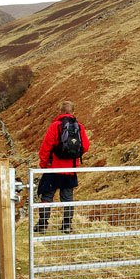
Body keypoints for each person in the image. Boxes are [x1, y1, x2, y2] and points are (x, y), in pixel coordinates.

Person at [35, 100, 90, 234]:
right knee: (67, 197)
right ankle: (67, 225)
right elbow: (85, 146)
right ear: (73, 112)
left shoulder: (55, 126)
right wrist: (74, 156)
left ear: (60, 112)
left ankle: (42, 225)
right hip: (70, 169)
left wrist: (43, 165)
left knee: (47, 197)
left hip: (53, 168)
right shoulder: (79, 127)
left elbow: (45, 147)